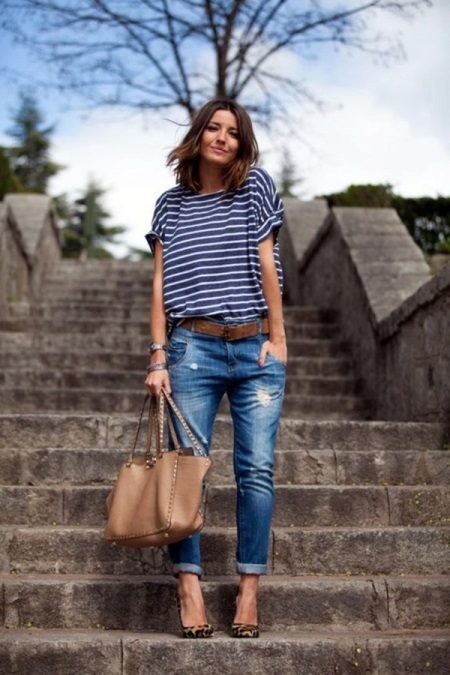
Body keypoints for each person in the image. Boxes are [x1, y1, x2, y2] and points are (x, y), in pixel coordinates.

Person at [144, 98, 287, 639]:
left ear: (242, 142)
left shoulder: (255, 187)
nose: (223, 137)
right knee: (187, 470)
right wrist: (158, 355)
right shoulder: (169, 206)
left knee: (257, 470)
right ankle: (189, 585)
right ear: (198, 134)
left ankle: (249, 590)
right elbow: (159, 285)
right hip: (191, 349)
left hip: (255, 349)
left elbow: (267, 260)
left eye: (234, 131)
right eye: (214, 128)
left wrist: (278, 337)